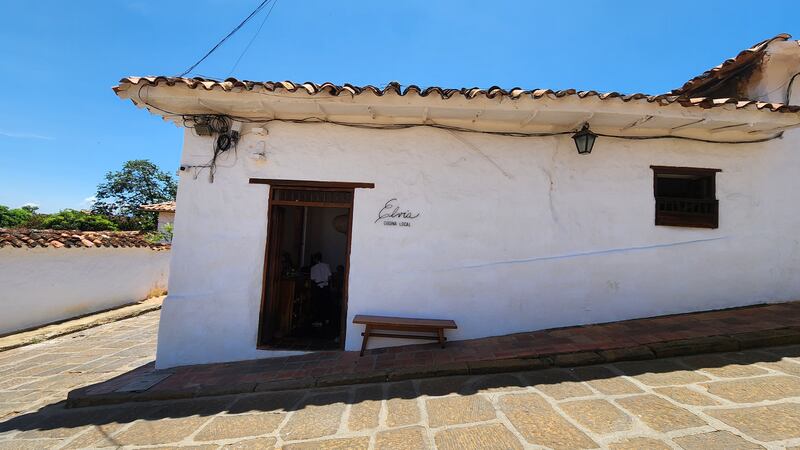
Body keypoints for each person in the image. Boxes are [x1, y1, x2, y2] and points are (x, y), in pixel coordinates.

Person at [309, 252, 332, 328]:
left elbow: (312, 279)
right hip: (326, 286)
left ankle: (319, 321)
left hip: (318, 286)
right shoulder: (326, 266)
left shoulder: (313, 268)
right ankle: (326, 319)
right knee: (326, 303)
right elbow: (329, 277)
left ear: (315, 259)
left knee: (318, 304)